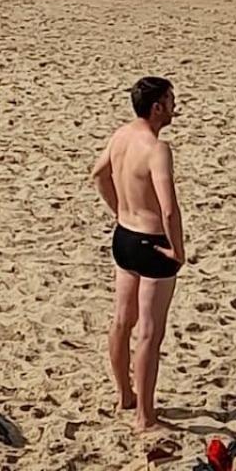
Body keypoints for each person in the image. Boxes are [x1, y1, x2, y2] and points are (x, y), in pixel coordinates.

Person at [90, 77, 185, 434]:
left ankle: (124, 396)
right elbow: (169, 209)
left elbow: (99, 175)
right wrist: (178, 249)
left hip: (124, 237)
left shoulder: (122, 135)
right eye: (170, 100)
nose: (175, 105)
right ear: (157, 107)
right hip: (152, 243)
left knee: (121, 320)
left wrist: (119, 211)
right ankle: (145, 418)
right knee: (148, 332)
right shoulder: (157, 149)